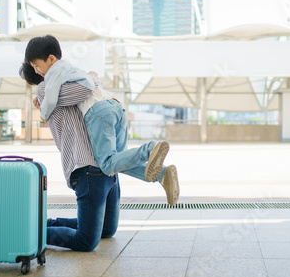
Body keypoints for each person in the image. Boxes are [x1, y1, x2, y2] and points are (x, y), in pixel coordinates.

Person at [22, 35, 179, 205]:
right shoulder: (71, 70)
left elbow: (68, 93)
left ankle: (149, 149)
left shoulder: (52, 78)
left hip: (98, 112)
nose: (38, 71)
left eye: (38, 66)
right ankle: (162, 175)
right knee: (119, 161)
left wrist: (44, 112)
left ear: (51, 59)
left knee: (107, 164)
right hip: (116, 106)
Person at [20, 61, 120, 252]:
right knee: (86, 242)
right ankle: (28, 230)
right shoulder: (46, 89)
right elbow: (87, 88)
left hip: (107, 165)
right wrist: (92, 76)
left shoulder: (57, 88)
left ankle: (47, 222)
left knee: (107, 230)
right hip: (88, 168)